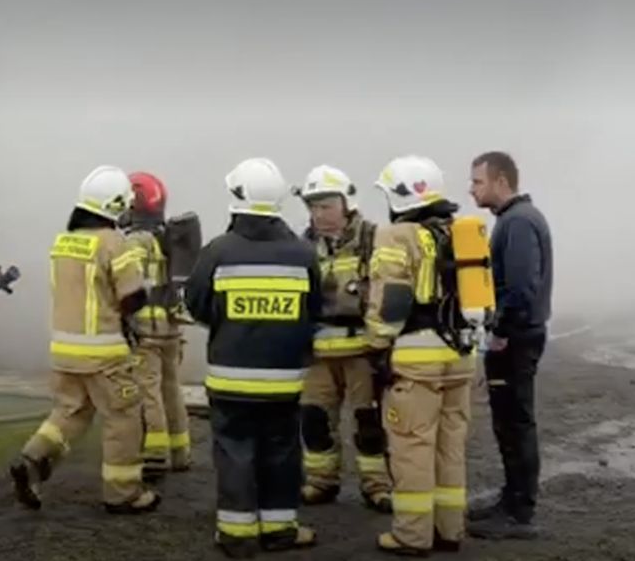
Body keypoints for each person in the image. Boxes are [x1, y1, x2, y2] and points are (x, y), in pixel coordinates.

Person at [185, 157, 320, 559]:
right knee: (281, 451)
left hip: (230, 379)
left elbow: (196, 304)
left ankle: (236, 535)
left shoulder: (217, 251)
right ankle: (280, 530)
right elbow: (315, 309)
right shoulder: (303, 253)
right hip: (284, 381)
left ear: (236, 198)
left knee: (234, 452)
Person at [9, 165, 162, 514]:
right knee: (123, 417)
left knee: (70, 412)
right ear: (116, 205)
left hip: (64, 351)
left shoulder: (63, 242)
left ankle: (32, 459)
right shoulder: (113, 243)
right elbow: (131, 298)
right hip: (104, 353)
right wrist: (149, 290)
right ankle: (123, 493)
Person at [366, 156, 476, 556]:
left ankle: (412, 536)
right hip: (461, 355)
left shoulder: (397, 235)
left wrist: (376, 345)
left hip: (416, 360)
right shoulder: (460, 232)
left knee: (413, 447)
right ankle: (450, 530)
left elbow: (390, 301)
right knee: (451, 447)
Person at [294, 165, 392, 513]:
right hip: (318, 353)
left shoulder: (373, 239)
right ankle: (321, 482)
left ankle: (377, 487)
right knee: (315, 421)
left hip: (362, 352)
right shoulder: (303, 247)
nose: (318, 214)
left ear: (345, 203)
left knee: (370, 424)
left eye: (325, 205)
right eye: (313, 207)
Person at [467, 151, 552, 540]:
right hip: (518, 334)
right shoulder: (515, 220)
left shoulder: (517, 223)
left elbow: (520, 286)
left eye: (478, 182)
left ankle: (520, 512)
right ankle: (512, 499)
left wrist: (498, 330)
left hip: (515, 337)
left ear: (501, 181)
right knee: (509, 421)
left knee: (515, 422)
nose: (472, 190)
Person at [123, 171, 192, 481]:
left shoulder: (137, 240)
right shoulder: (166, 235)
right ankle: (180, 452)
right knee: (171, 388)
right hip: (170, 328)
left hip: (147, 329)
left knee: (147, 390)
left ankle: (154, 454)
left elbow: (130, 281)